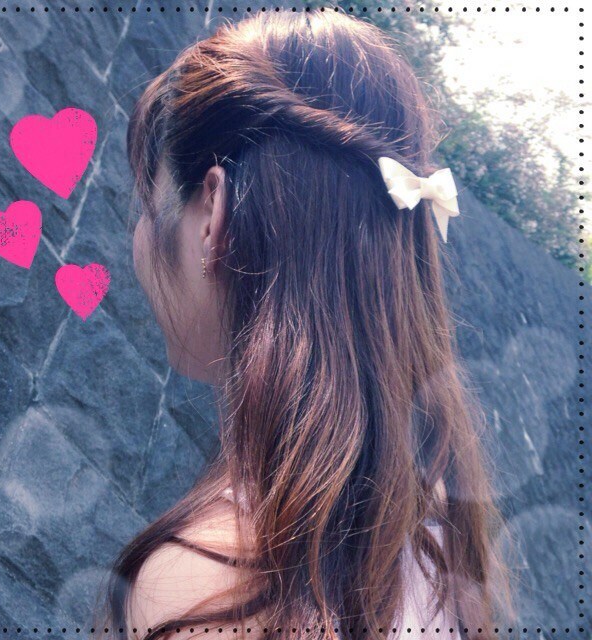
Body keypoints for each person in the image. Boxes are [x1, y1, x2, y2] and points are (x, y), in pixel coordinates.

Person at [94, 8, 516, 640]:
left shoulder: (205, 590)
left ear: (212, 215)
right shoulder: (436, 533)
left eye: (149, 204)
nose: (138, 240)